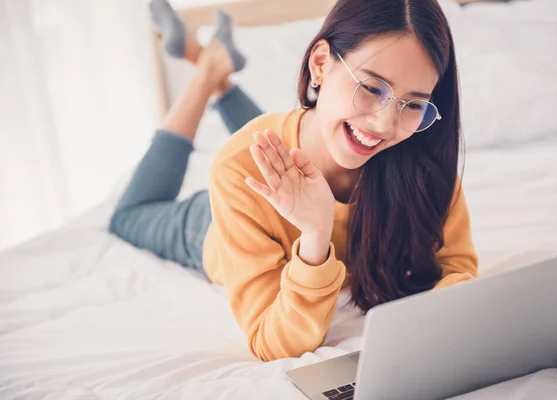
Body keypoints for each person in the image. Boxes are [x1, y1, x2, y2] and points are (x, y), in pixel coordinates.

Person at [110, 0, 478, 362]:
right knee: (129, 216)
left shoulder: (423, 161)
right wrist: (315, 236)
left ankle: (220, 71)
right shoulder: (237, 173)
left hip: (287, 160)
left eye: (412, 104)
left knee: (286, 143)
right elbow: (271, 343)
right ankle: (208, 71)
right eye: (371, 88)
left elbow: (457, 268)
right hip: (216, 226)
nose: (385, 124)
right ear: (320, 64)